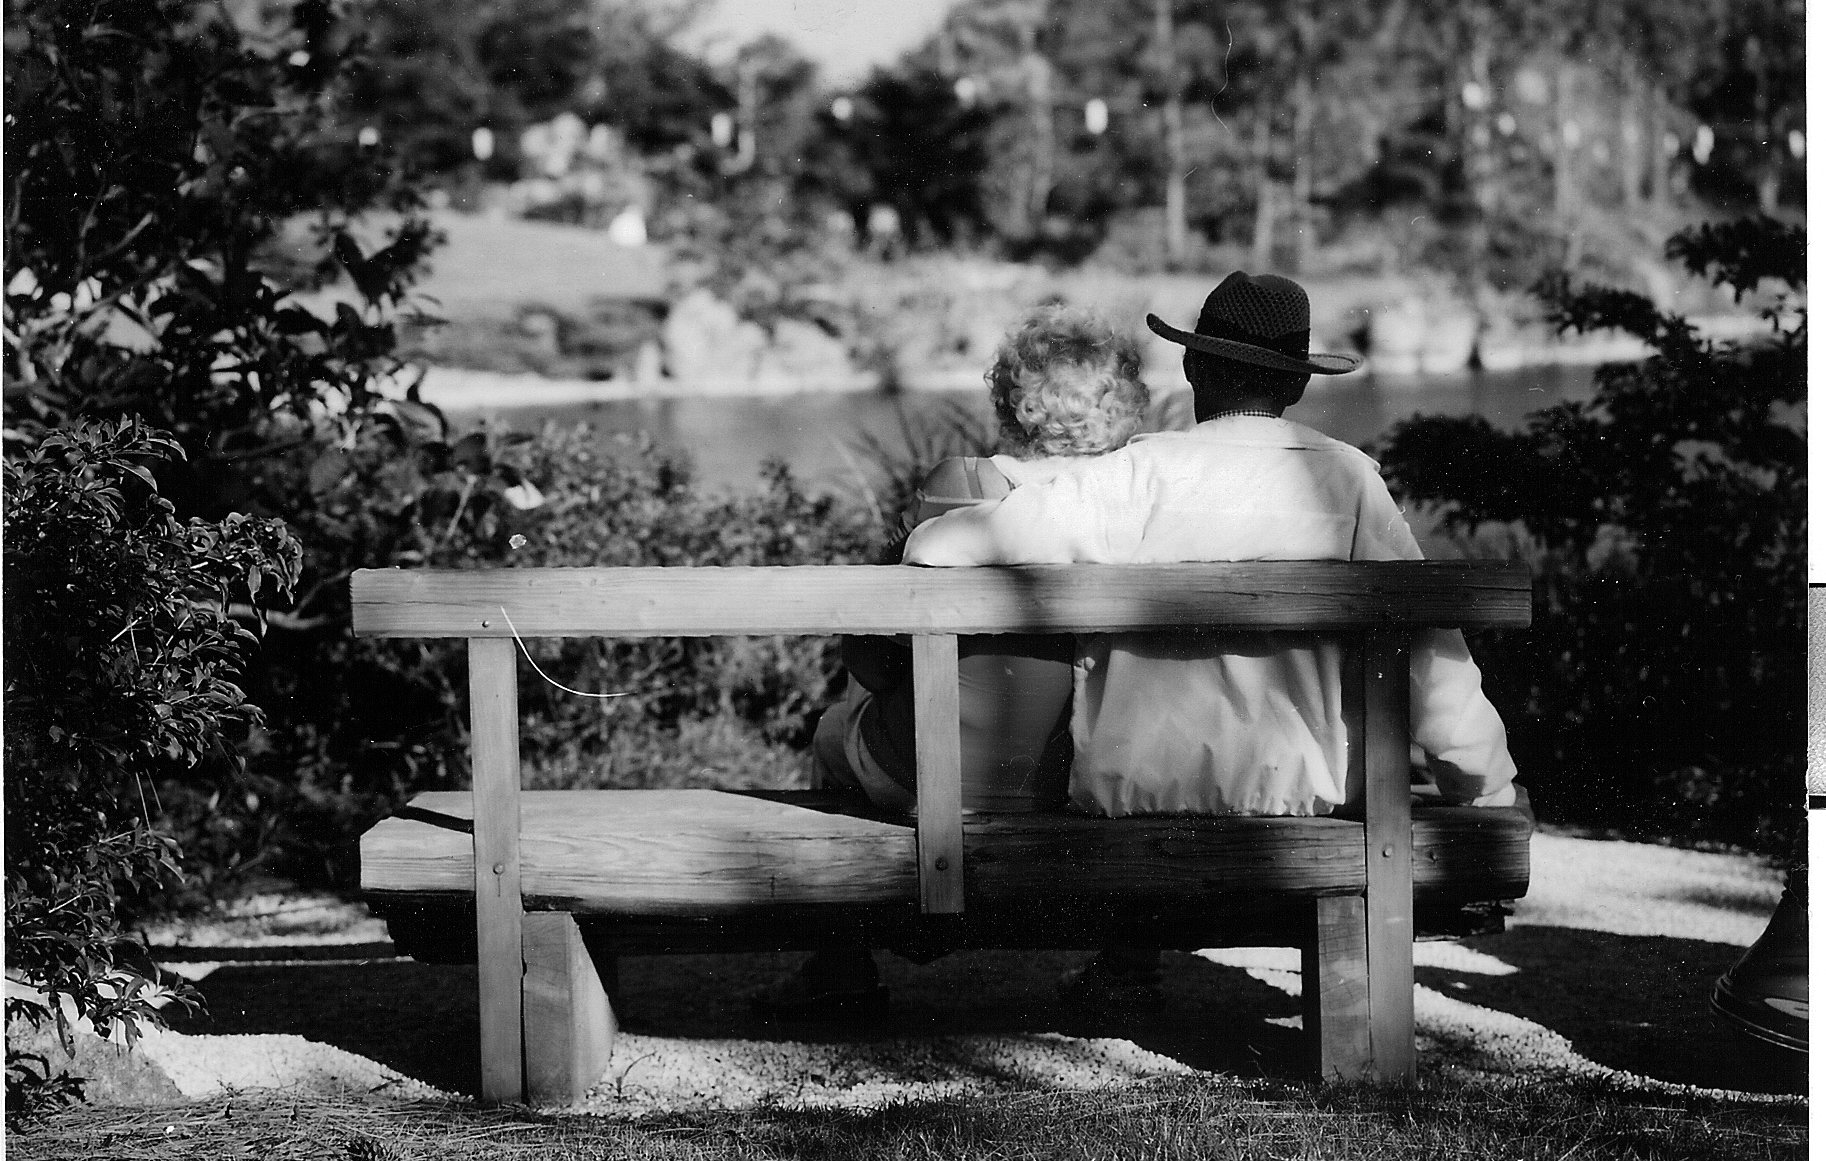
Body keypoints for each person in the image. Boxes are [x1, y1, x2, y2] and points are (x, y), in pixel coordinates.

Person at [903, 272, 1522, 1001]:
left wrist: (926, 528)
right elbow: (1432, 665)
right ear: (1296, 387)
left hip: (1138, 804)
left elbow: (947, 549)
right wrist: (1487, 784)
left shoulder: (1136, 476)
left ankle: (1129, 962)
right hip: (1313, 804)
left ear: (1193, 365)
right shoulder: (1351, 486)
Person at [752, 304, 1150, 1016]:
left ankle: (841, 961)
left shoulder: (959, 488)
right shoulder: (1135, 499)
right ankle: (1127, 968)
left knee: (833, 734)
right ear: (1120, 406)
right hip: (1082, 781)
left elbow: (872, 656)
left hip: (926, 774)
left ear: (1010, 398)